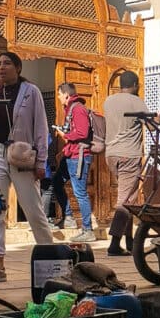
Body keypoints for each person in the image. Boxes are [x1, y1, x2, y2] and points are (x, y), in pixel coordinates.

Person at [0, 50, 53, 282]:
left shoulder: (31, 92)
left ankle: (52, 262)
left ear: (18, 68)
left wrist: (41, 161)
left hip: (23, 156)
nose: (1, 67)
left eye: (7, 63)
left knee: (33, 211)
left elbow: (41, 127)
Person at [103, 70, 148, 257]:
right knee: (125, 200)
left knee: (128, 197)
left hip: (111, 155)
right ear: (136, 85)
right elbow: (152, 125)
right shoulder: (137, 102)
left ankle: (129, 242)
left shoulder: (108, 101)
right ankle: (114, 244)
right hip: (129, 155)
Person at [53, 82, 95, 243]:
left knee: (80, 193)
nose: (58, 97)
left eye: (59, 94)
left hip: (79, 156)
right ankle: (69, 217)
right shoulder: (70, 108)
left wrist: (65, 136)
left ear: (66, 94)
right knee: (57, 182)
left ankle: (88, 230)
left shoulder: (78, 109)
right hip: (70, 154)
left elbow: (82, 133)